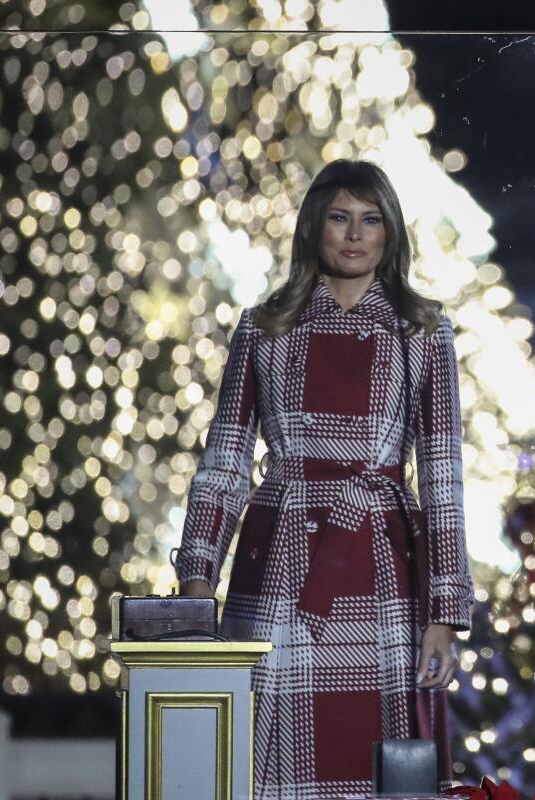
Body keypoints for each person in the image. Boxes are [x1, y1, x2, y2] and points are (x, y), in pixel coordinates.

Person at [176, 159, 473, 797]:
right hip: (278, 558)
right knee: (266, 764)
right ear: (315, 226)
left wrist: (445, 612)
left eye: (370, 220)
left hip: (380, 562)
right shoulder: (264, 326)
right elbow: (225, 461)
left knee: (372, 761)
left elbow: (442, 477)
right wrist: (198, 575)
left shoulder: (421, 329)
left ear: (391, 232)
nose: (354, 234)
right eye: (340, 217)